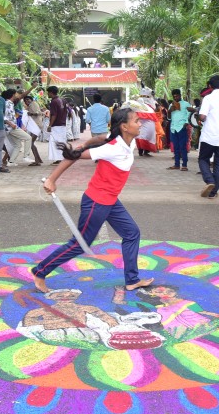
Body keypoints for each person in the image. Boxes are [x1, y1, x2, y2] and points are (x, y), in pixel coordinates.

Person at [31, 108, 154, 293]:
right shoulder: (112, 148)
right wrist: (52, 179)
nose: (140, 123)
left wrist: (87, 142)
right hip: (96, 201)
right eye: (136, 121)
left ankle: (132, 280)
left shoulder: (129, 142)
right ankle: (40, 272)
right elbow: (74, 156)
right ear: (124, 127)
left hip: (110, 200)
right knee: (80, 244)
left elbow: (100, 138)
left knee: (132, 233)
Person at [4, 89, 34, 165]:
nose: (17, 96)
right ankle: (26, 156)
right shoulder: (7, 103)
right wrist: (11, 124)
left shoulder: (10, 103)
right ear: (13, 95)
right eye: (16, 94)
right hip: (11, 127)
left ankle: (11, 162)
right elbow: (2, 116)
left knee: (17, 145)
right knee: (28, 138)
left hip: (10, 127)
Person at [167, 89, 190, 171]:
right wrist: (170, 111)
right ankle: (176, 164)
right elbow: (169, 118)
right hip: (173, 128)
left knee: (183, 147)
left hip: (181, 127)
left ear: (180, 95)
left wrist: (186, 123)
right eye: (174, 96)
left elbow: (189, 114)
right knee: (176, 147)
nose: (175, 97)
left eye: (177, 96)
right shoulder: (171, 105)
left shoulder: (186, 104)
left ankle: (184, 165)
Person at [46, 86, 67, 165]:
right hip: (62, 124)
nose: (47, 94)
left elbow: (54, 115)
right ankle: (61, 157)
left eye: (48, 92)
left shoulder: (54, 101)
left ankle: (58, 159)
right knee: (61, 141)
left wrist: (50, 125)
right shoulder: (62, 100)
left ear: (51, 92)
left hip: (56, 125)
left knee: (55, 142)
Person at [22, 96, 44, 166]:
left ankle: (37, 161)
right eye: (25, 100)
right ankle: (38, 159)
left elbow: (38, 113)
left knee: (30, 143)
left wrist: (31, 114)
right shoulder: (31, 105)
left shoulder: (33, 104)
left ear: (31, 99)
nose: (26, 101)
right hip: (35, 126)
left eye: (28, 99)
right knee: (31, 143)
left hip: (36, 126)